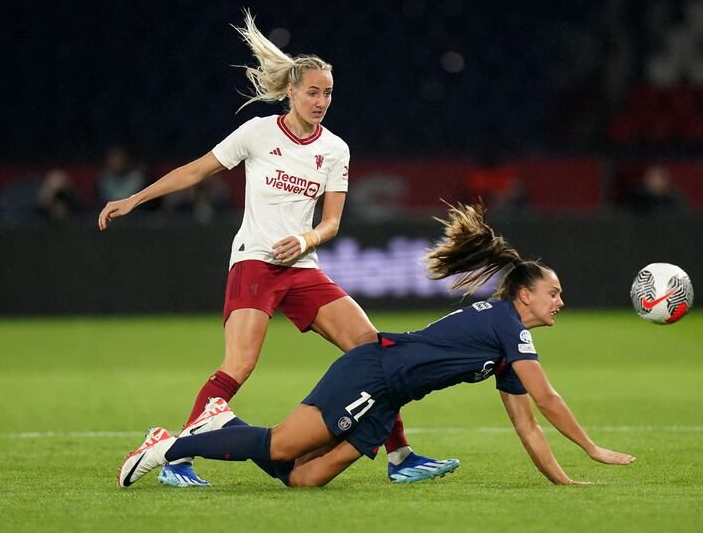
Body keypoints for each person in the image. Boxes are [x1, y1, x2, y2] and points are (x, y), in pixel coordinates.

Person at [99, 10, 456, 487]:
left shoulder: (335, 149)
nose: (321, 101)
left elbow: (330, 223)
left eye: (328, 92)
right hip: (255, 260)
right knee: (239, 366)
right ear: (291, 91)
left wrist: (306, 238)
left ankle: (401, 457)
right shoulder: (259, 132)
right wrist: (135, 199)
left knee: (374, 353)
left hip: (302, 266)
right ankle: (175, 455)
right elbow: (196, 171)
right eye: (313, 91)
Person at [118, 203, 636, 489]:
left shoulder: (506, 344)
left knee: (302, 478)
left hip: (387, 399)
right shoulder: (509, 326)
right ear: (525, 295)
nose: (560, 302)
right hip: (374, 375)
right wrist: (592, 449)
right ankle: (171, 443)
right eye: (554, 293)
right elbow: (548, 400)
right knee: (278, 447)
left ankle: (228, 429)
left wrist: (565, 483)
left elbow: (526, 423)